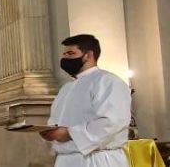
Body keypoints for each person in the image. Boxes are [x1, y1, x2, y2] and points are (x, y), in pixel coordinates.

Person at [40, 34, 131, 167]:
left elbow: (112, 122)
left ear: (88, 55)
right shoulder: (66, 88)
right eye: (64, 54)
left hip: (96, 159)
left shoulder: (108, 81)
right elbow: (58, 121)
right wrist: (51, 134)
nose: (65, 58)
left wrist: (70, 134)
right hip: (65, 160)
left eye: (71, 53)